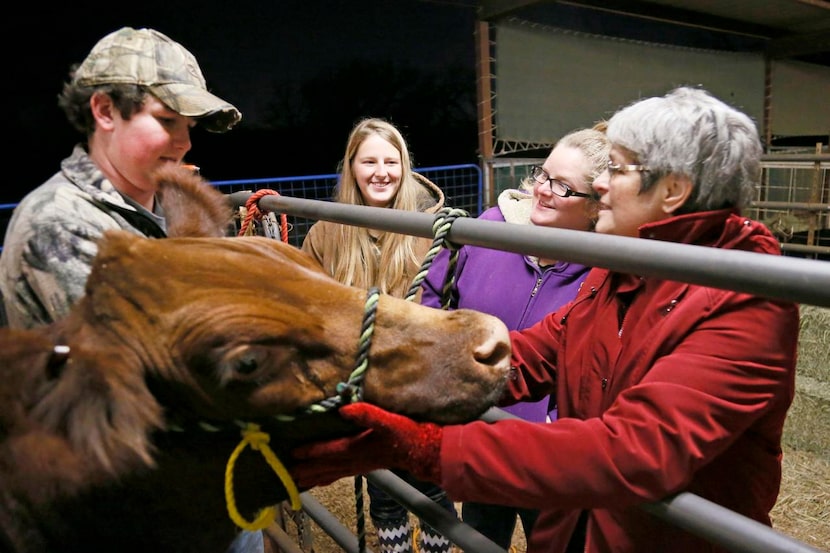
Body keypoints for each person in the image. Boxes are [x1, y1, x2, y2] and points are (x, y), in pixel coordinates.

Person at [289, 86, 800, 553]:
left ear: (673, 190)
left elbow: (637, 449)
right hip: (576, 531)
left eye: (616, 169)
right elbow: (532, 355)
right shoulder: (622, 267)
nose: (598, 185)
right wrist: (379, 378)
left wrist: (426, 446)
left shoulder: (747, 301)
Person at [419, 127, 610, 549]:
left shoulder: (602, 274)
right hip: (483, 430)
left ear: (597, 206)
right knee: (481, 537)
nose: (542, 191)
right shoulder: (491, 231)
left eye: (563, 187)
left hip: (549, 455)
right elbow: (435, 293)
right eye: (543, 175)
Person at [0, 26, 241, 329]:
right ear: (105, 111)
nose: (185, 143)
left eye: (189, 126)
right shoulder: (57, 220)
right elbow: (160, 354)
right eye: (167, 120)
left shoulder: (178, 207)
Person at [301, 117, 455, 553]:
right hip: (362, 383)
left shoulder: (430, 230)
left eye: (392, 161)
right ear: (351, 166)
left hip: (419, 380)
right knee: (383, 490)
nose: (381, 172)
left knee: (431, 482)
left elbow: (449, 301)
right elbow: (314, 307)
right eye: (369, 161)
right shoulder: (326, 232)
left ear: (405, 167)